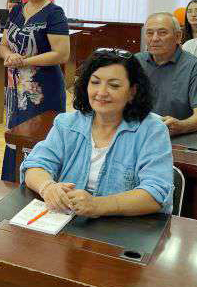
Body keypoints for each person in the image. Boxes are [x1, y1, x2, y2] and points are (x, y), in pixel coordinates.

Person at [21, 49, 173, 216]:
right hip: (69, 223)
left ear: (132, 91)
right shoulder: (67, 124)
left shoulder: (152, 130)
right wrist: (48, 188)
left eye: (114, 85)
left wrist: (98, 205)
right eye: (95, 82)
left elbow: (156, 193)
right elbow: (35, 165)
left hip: (126, 228)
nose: (101, 93)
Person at [0, 0, 70, 182]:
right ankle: (10, 188)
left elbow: (61, 53)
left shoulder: (54, 13)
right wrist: (9, 55)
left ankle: (39, 190)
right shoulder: (16, 11)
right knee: (15, 139)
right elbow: (3, 44)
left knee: (40, 143)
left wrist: (24, 61)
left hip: (43, 92)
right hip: (15, 89)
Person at [135, 12, 197, 136]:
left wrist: (181, 126)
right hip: (137, 133)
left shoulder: (194, 67)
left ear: (178, 37)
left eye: (162, 33)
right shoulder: (135, 62)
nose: (154, 38)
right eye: (149, 33)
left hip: (175, 137)